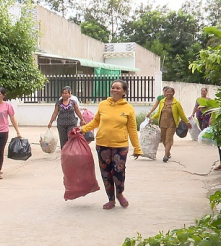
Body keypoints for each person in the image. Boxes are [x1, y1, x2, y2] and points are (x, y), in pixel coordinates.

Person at [80, 80, 143, 210]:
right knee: (106, 173)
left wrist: (137, 148)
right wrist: (82, 129)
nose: (114, 90)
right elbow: (95, 121)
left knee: (118, 171)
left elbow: (132, 129)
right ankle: (111, 199)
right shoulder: (103, 105)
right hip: (102, 144)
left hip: (120, 145)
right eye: (113, 87)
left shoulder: (128, 108)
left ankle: (119, 193)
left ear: (124, 91)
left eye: (118, 88)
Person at [150, 87, 191, 162]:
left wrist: (187, 122)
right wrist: (152, 118)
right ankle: (168, 152)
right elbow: (159, 113)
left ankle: (165, 156)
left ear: (173, 93)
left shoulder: (176, 103)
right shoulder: (162, 102)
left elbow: (182, 114)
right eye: (167, 92)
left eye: (170, 92)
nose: (169, 94)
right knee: (164, 140)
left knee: (168, 139)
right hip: (162, 124)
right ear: (165, 93)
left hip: (172, 124)